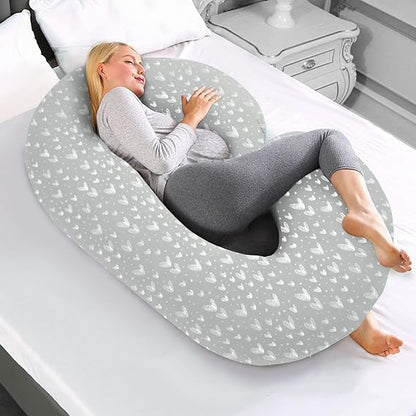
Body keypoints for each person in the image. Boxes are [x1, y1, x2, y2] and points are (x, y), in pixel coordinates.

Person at [85, 41, 411, 358]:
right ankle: (363, 211)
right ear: (102, 69)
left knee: (293, 259)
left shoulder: (126, 112)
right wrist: (191, 118)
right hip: (193, 191)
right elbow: (161, 160)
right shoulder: (117, 98)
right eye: (129, 61)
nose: (140, 68)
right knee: (326, 139)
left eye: (141, 62)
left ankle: (358, 321)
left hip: (205, 217)